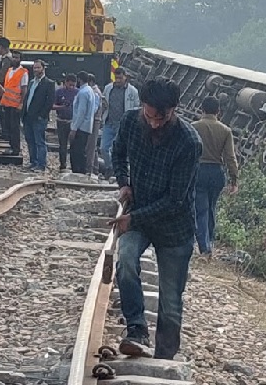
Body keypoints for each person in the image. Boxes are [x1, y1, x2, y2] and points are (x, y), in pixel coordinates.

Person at [111, 78, 202, 359]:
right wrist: (123, 182)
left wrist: (133, 218)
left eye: (160, 118)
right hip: (138, 212)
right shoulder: (130, 121)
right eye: (148, 115)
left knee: (171, 300)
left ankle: (164, 357)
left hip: (174, 228)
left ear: (174, 110)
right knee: (125, 261)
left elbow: (175, 201)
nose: (153, 123)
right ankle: (136, 330)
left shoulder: (189, 142)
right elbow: (118, 153)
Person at [190, 96, 239, 257]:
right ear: (218, 111)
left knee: (201, 209)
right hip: (217, 172)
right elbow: (230, 157)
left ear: (201, 109)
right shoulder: (225, 130)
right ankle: (209, 241)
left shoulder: (193, 127)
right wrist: (234, 179)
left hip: (198, 170)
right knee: (211, 208)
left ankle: (204, 247)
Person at [100, 68, 140, 175]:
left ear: (125, 77)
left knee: (118, 150)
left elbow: (136, 108)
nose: (117, 80)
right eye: (116, 78)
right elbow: (104, 103)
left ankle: (118, 171)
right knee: (103, 148)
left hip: (122, 125)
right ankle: (110, 168)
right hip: (109, 122)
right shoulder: (108, 88)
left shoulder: (133, 91)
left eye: (120, 78)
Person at [21, 60, 55, 171]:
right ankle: (33, 162)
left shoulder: (49, 83)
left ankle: (41, 164)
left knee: (39, 141)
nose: (35, 70)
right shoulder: (32, 82)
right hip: (28, 116)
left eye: (38, 68)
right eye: (34, 68)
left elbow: (49, 102)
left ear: (43, 68)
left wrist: (42, 115)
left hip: (39, 118)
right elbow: (27, 98)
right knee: (30, 140)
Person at [0, 50, 28, 156]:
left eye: (17, 57)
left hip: (15, 105)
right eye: (14, 57)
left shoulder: (23, 72)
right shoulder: (9, 70)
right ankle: (11, 146)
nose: (15, 59)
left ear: (20, 59)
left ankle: (15, 149)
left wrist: (21, 103)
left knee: (14, 127)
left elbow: (24, 89)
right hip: (7, 103)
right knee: (8, 126)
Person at [70, 72, 97, 174]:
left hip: (81, 127)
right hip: (87, 126)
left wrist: (74, 128)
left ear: (80, 80)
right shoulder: (90, 90)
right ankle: (82, 171)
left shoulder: (83, 93)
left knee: (76, 150)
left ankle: (78, 171)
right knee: (81, 150)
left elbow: (81, 112)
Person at [53, 74, 79, 171]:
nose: (71, 87)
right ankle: (62, 164)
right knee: (62, 145)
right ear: (66, 83)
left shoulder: (78, 92)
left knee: (74, 145)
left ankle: (74, 166)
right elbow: (52, 105)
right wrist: (62, 107)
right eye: (70, 85)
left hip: (72, 122)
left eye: (73, 85)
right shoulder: (59, 92)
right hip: (61, 120)